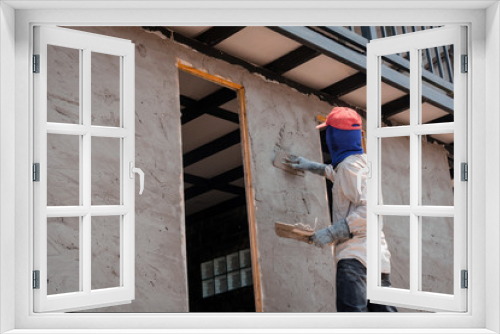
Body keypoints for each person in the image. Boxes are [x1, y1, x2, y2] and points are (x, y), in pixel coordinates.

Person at [286, 106, 397, 312]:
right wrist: (308, 165)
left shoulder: (348, 167)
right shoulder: (360, 163)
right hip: (377, 261)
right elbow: (335, 174)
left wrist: (330, 233)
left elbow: (370, 212)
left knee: (352, 321)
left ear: (335, 136)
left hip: (356, 259)